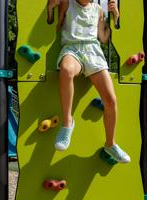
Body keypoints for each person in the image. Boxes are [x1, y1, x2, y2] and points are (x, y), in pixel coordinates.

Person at [47, 0, 130, 163]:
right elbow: (54, 29)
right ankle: (67, 123)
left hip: (93, 52)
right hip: (72, 49)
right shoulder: (67, 3)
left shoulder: (98, 10)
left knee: (111, 99)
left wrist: (115, 17)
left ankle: (110, 144)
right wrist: (50, 10)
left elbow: (104, 37)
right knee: (66, 70)